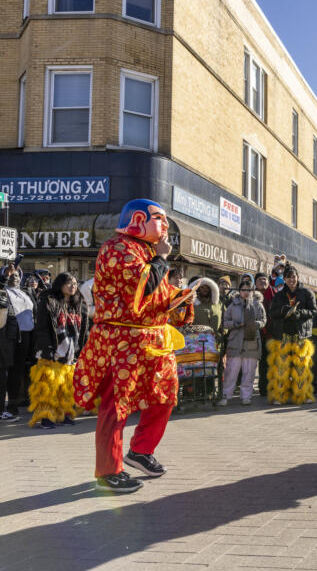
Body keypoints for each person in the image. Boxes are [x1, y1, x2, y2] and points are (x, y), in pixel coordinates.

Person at [73, 199, 195, 493]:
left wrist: (180, 298)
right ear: (138, 219)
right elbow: (138, 290)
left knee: (165, 396)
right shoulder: (117, 248)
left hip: (154, 341)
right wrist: (162, 259)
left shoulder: (148, 252)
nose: (165, 226)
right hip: (122, 342)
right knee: (116, 407)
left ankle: (140, 451)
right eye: (159, 219)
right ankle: (108, 471)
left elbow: (157, 296)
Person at [28, 272, 89, 428]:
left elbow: (83, 330)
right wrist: (46, 349)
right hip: (52, 351)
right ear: (59, 284)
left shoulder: (79, 303)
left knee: (67, 387)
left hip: (70, 352)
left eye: (75, 283)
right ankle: (46, 418)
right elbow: (41, 328)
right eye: (69, 283)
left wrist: (82, 349)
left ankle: (64, 415)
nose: (72, 286)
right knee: (48, 387)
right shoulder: (48, 301)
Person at [266, 266, 317, 404]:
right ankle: (280, 396)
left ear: (298, 277)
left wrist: (300, 313)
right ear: (285, 279)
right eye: (288, 277)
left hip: (301, 336)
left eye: (293, 276)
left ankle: (303, 395)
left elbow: (313, 311)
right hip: (283, 336)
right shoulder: (279, 295)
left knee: (301, 368)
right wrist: (283, 310)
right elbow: (272, 313)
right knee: (282, 369)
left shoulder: (307, 293)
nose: (291, 279)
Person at [219, 280, 266, 405]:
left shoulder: (258, 305)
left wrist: (256, 324)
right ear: (239, 291)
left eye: (249, 290)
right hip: (236, 341)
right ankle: (226, 395)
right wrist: (234, 324)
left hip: (251, 341)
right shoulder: (232, 305)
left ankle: (246, 396)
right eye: (244, 290)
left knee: (249, 371)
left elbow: (263, 320)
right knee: (231, 371)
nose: (246, 292)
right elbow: (224, 321)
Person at [3, 267, 36, 422]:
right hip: (9, 337)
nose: (14, 278)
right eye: (11, 275)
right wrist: (4, 276)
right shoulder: (3, 291)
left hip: (26, 335)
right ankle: (7, 406)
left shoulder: (24, 292)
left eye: (17, 275)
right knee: (7, 371)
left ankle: (15, 403)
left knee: (19, 371)